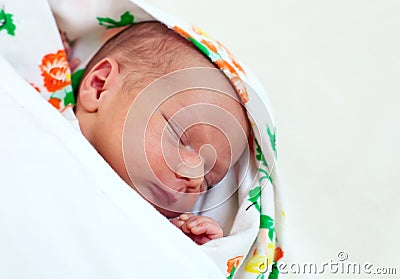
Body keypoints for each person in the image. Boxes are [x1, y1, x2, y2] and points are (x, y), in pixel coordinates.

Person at [73, 21, 250, 245]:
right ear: (100, 87)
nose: (195, 179)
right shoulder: (34, 117)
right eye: (179, 136)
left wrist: (185, 245)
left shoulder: (156, 230)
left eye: (208, 181)